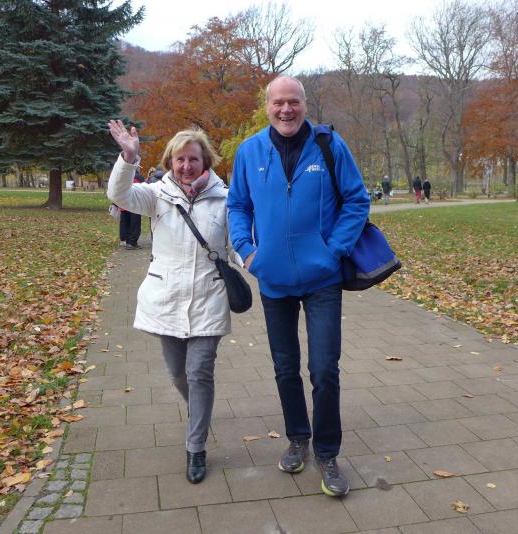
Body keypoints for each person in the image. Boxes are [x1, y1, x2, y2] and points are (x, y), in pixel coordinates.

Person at [227, 76, 369, 498]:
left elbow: (357, 200)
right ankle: (297, 438)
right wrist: (247, 251)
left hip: (322, 278)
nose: (286, 109)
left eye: (293, 102)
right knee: (285, 367)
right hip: (273, 279)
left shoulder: (329, 146)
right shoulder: (250, 151)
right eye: (278, 102)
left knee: (324, 369)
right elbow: (238, 205)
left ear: (305, 105)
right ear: (266, 105)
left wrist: (334, 250)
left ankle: (327, 452)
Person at [107, 120, 238, 484]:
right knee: (178, 374)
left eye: (193, 159)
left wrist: (255, 260)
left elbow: (236, 245)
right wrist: (128, 158)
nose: (186, 166)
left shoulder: (226, 199)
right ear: (170, 162)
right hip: (167, 300)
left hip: (209, 297)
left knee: (199, 372)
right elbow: (119, 195)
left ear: (205, 161)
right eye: (180, 159)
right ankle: (200, 408)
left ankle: (196, 447)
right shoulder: (156, 195)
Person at [118, 171, 143, 249]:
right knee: (135, 225)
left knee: (125, 224)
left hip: (124, 206)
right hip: (134, 206)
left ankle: (127, 241)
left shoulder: (122, 180)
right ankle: (132, 243)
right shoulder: (137, 181)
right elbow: (141, 193)